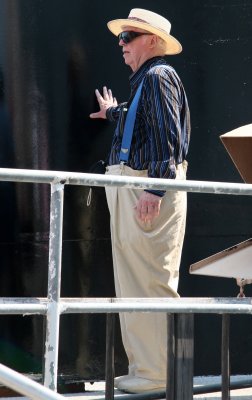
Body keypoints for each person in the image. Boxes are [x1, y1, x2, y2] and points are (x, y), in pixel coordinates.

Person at [90, 8, 191, 394]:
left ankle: (159, 375)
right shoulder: (148, 80)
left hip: (146, 190)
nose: (121, 45)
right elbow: (144, 120)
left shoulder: (160, 76)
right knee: (136, 282)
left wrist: (155, 188)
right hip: (136, 188)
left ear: (152, 40)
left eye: (128, 37)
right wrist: (114, 112)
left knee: (150, 281)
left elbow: (168, 135)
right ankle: (147, 372)